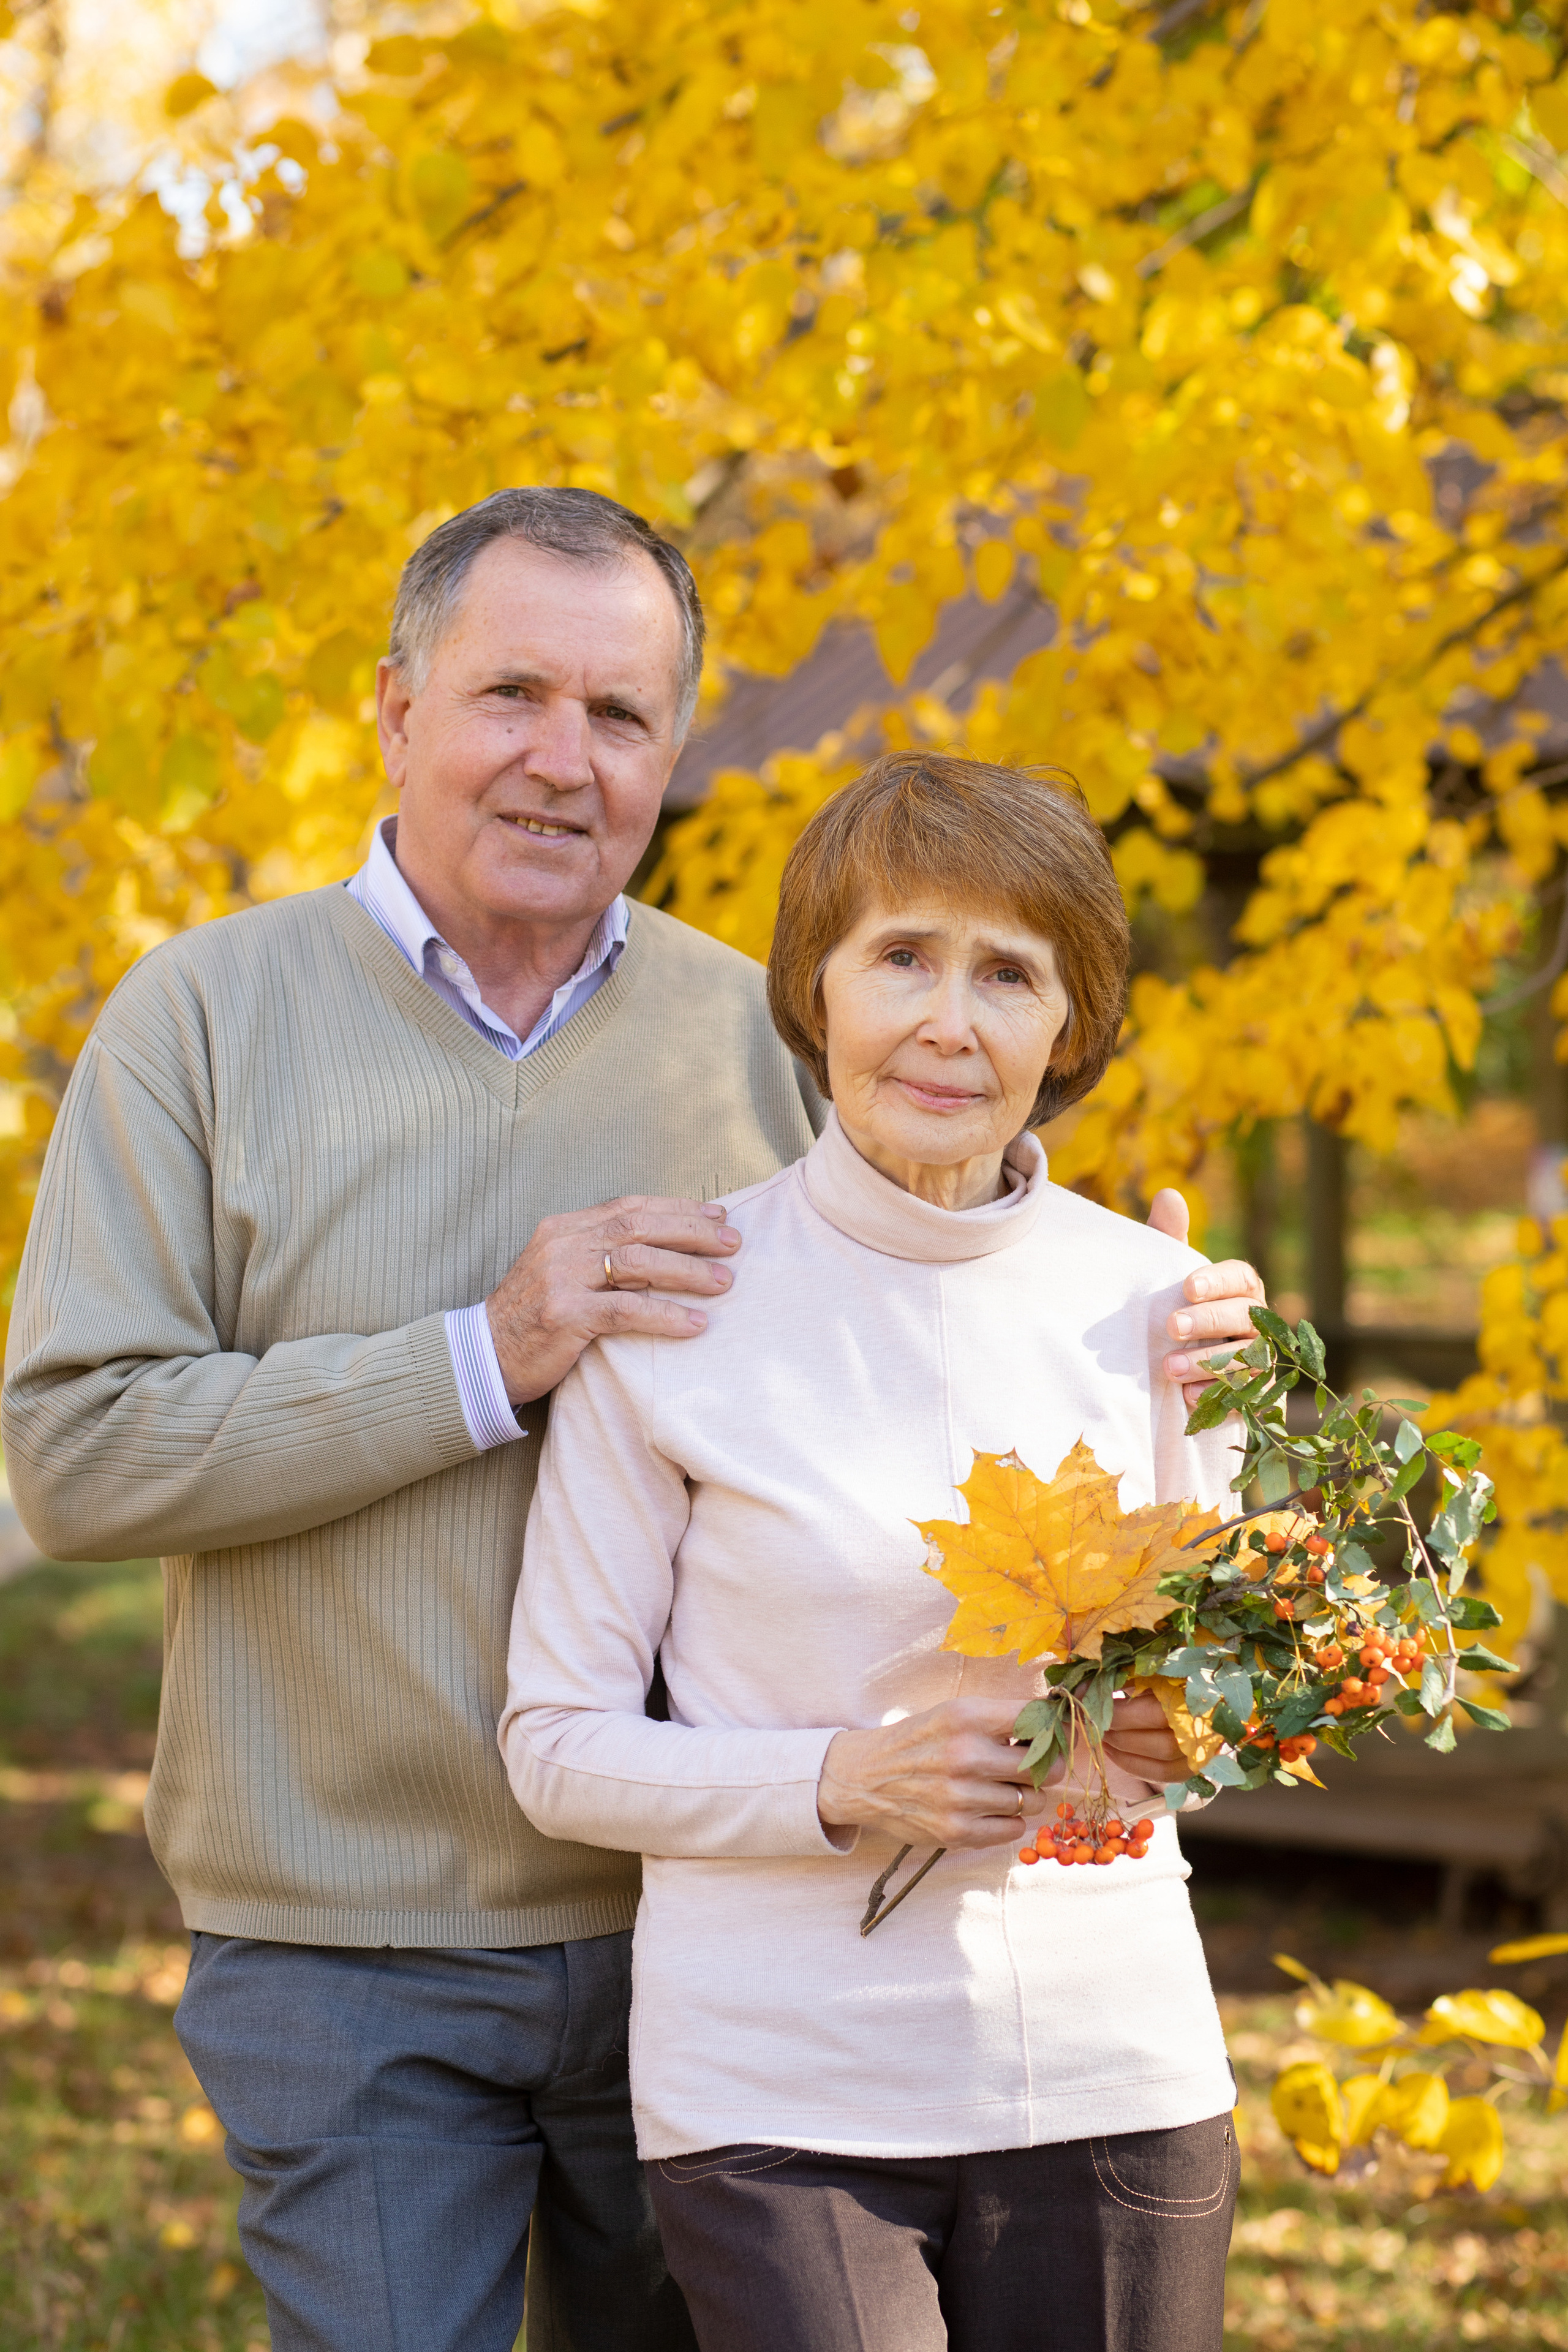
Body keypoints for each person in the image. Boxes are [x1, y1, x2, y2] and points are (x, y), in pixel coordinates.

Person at [3, 493, 1260, 2352]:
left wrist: (1120, 1303)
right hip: (350, 1931)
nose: (559, 758)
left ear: (676, 749)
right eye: (511, 692)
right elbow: (77, 1456)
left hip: (711, 1935)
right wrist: (484, 1350)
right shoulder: (200, 1024)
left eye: (620, 714)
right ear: (395, 711)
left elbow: (910, 1210)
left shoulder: (745, 1023)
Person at [502, 750, 1243, 2352]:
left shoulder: (1167, 1310)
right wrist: (842, 1780)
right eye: (901, 954)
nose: (947, 1020)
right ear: (815, 989)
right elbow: (553, 1748)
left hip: (1115, 2078)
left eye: (1009, 974)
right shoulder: (680, 1310)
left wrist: (1194, 1733)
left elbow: (1226, 1719)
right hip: (780, 2101)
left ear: (1072, 1026)